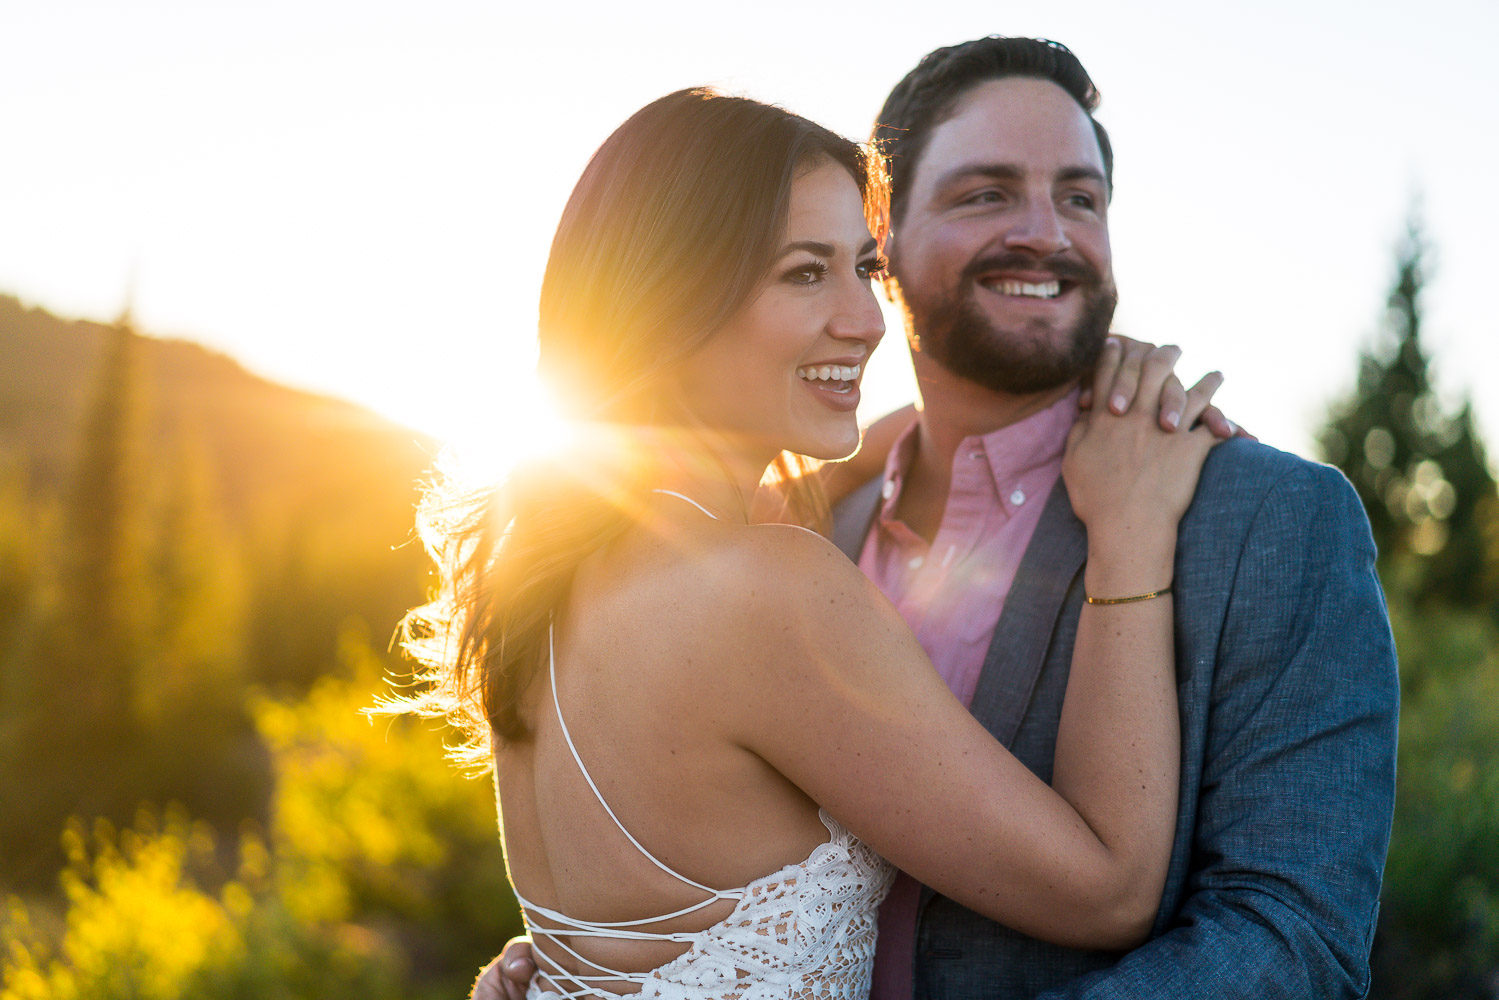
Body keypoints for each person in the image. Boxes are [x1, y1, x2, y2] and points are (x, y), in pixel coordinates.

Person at [487, 37, 1399, 1000]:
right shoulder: (787, 554)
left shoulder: (1269, 519)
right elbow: (1107, 887)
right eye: (985, 193)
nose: (1045, 233)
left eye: (1081, 198)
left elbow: (1292, 942)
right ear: (900, 249)